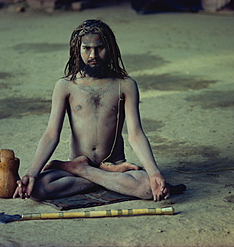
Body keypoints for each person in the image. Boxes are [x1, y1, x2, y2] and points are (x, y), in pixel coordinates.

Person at [13, 19, 170, 202]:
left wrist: (154, 173)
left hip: (115, 163)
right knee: (37, 190)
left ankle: (83, 170)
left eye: (100, 48)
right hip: (85, 162)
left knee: (148, 189)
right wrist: (32, 173)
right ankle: (97, 174)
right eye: (86, 48)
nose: (93, 54)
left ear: (109, 49)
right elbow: (50, 134)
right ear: (77, 51)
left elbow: (135, 134)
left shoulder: (125, 85)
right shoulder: (65, 86)